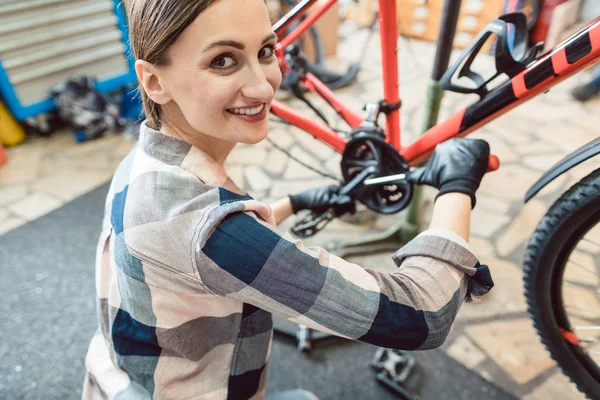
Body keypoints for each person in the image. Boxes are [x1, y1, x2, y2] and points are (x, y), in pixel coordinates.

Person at [81, 0, 494, 399]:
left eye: (265, 51)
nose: (264, 85)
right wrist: (456, 185)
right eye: (222, 60)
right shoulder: (214, 235)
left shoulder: (145, 165)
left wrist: (298, 201)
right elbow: (420, 315)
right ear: (154, 81)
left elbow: (200, 256)